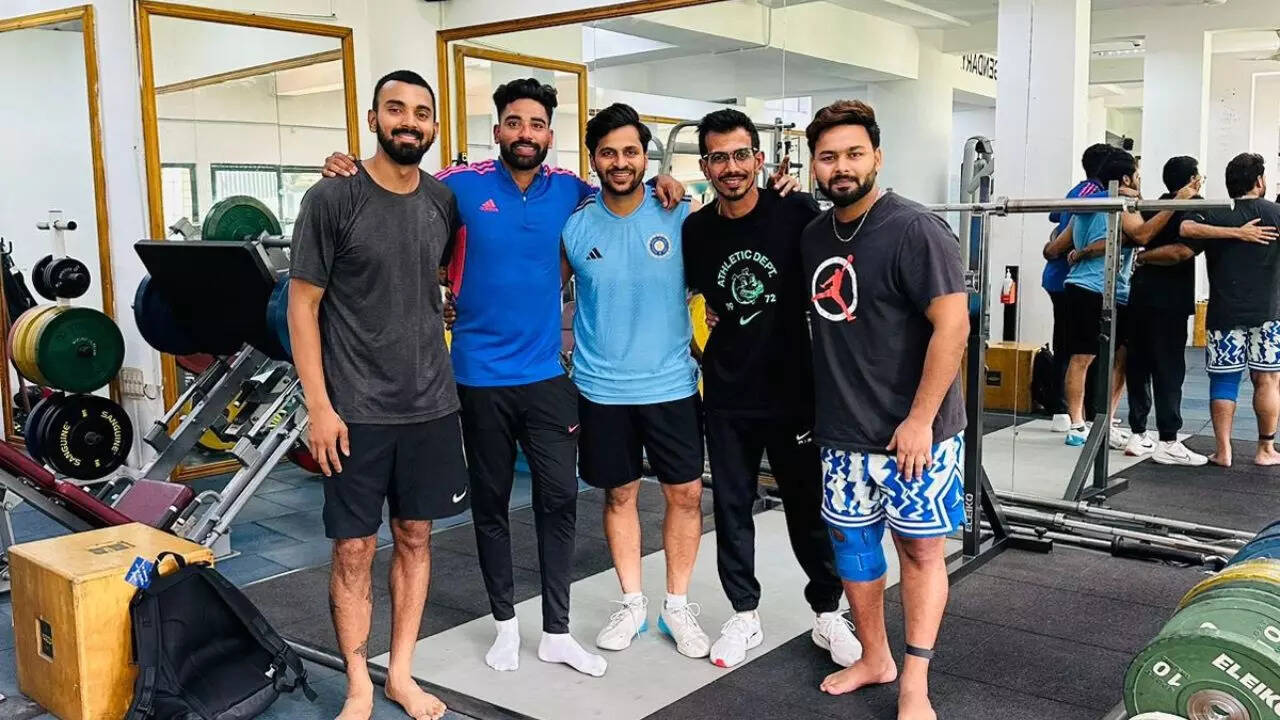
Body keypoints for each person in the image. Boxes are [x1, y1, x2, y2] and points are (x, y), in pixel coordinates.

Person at [322, 79, 687, 678]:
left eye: (536, 124)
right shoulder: (457, 186)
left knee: (559, 501)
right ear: (497, 130)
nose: (525, 133)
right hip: (475, 377)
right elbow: (399, 191)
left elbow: (622, 186)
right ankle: (505, 626)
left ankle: (557, 632)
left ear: (549, 134)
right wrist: (347, 168)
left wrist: (664, 182)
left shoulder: (569, 190)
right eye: (514, 122)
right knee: (490, 505)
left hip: (545, 376)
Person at [290, 70, 465, 720]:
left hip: (431, 405)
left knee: (416, 537)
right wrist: (318, 405)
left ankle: (402, 674)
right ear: (373, 119)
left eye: (420, 112)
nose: (408, 122)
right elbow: (302, 306)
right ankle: (360, 684)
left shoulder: (442, 201)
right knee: (354, 548)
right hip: (354, 411)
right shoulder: (331, 198)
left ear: (434, 127)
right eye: (396, 109)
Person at [799, 99, 967, 720]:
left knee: (920, 552)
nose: (841, 167)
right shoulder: (814, 236)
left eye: (853, 153)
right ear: (814, 165)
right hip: (843, 432)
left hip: (915, 435)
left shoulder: (916, 228)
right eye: (828, 157)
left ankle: (914, 684)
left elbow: (953, 327)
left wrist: (920, 420)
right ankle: (875, 657)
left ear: (877, 157)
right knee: (853, 550)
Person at [682, 109, 859, 669]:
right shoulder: (697, 230)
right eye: (718, 158)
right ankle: (744, 613)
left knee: (807, 508)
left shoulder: (797, 211)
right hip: (728, 391)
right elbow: (698, 295)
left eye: (741, 155)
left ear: (759, 159)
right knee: (732, 507)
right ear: (705, 166)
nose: (731, 167)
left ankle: (828, 611)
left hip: (794, 391)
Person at [559, 103, 710, 660]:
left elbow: (724, 265)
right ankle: (632, 604)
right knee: (619, 494)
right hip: (602, 388)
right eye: (608, 153)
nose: (620, 162)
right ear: (593, 159)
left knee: (685, 494)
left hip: (671, 384)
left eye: (630, 151)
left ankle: (677, 605)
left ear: (646, 157)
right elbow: (538, 292)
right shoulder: (575, 225)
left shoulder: (681, 212)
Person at [1052, 149, 1192, 448]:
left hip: (1107, 290)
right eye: (1138, 175)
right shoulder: (1121, 205)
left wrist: (1085, 249)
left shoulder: (1086, 207)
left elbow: (1052, 249)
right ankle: (1078, 425)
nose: (1140, 181)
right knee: (1085, 358)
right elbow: (1142, 235)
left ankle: (1097, 422)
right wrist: (1176, 202)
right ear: (1126, 179)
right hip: (1092, 289)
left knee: (1114, 358)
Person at [1179, 152, 1280, 467]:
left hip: (1225, 311)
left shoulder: (1215, 212)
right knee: (1268, 379)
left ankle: (1223, 451)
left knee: (1224, 380)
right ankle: (1265, 450)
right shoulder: (1275, 213)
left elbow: (1185, 229)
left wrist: (1231, 232)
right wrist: (1242, 233)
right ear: (1259, 181)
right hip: (1269, 312)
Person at [1123, 156, 1210, 465]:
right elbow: (1179, 252)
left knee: (1140, 365)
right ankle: (1168, 441)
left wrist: (1143, 257)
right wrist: (1145, 258)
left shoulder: (1152, 206)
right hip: (1167, 302)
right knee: (1167, 370)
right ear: (1193, 180)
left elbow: (1139, 239)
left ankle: (1138, 434)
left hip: (1141, 295)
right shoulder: (1190, 206)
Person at [1042, 144, 1113, 432]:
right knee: (1070, 346)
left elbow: (1055, 216)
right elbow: (1069, 213)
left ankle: (1086, 411)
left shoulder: (1089, 191)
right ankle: (1062, 410)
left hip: (1072, 277)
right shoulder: (1090, 192)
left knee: (1081, 348)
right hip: (1066, 276)